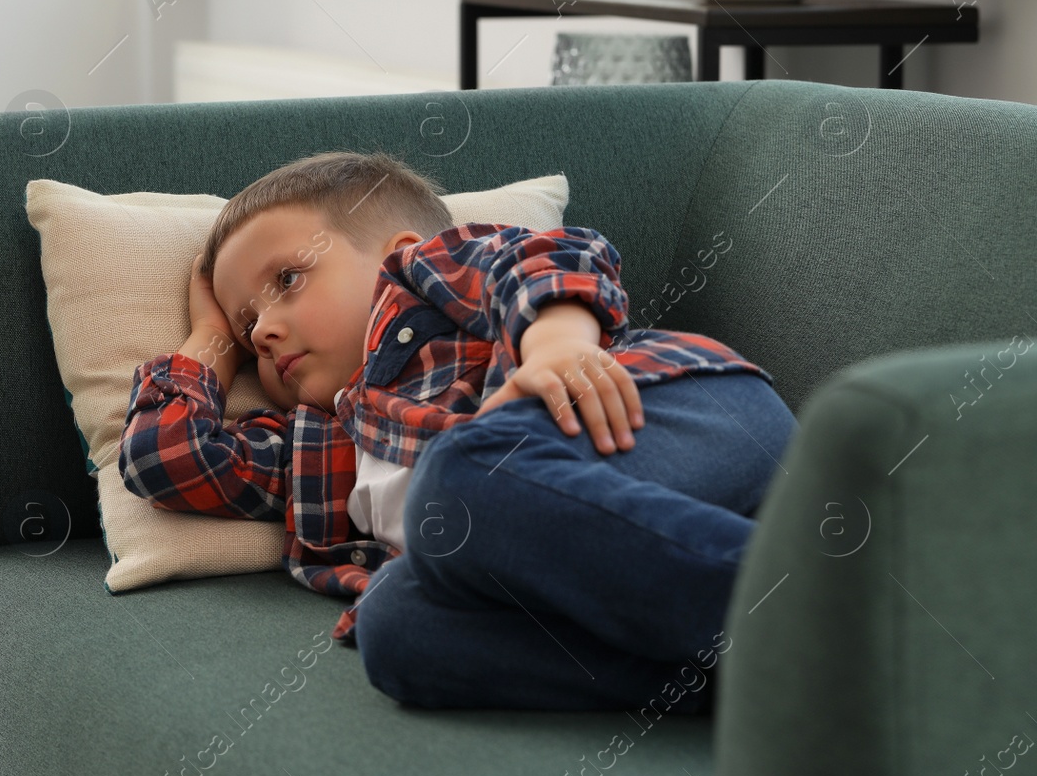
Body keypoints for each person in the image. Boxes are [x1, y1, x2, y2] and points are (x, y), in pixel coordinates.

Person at [119, 151, 796, 711]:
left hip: (675, 410)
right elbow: (165, 458)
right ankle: (759, 683)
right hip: (586, 539)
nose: (263, 328)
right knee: (393, 627)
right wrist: (210, 341)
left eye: (288, 279)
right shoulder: (315, 447)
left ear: (398, 254)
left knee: (458, 476)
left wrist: (556, 343)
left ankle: (820, 617)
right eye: (247, 328)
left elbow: (544, 257)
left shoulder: (423, 287)